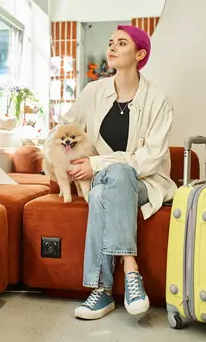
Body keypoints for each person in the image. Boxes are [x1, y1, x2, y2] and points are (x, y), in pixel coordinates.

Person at [58, 25, 177, 319]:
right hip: (103, 178)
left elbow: (149, 159)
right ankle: (131, 274)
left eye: (121, 43)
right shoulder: (93, 92)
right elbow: (64, 128)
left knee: (115, 180)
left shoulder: (158, 101)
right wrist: (65, 159)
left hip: (145, 182)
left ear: (140, 54)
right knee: (107, 184)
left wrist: (97, 164)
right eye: (111, 42)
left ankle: (103, 290)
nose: (111, 47)